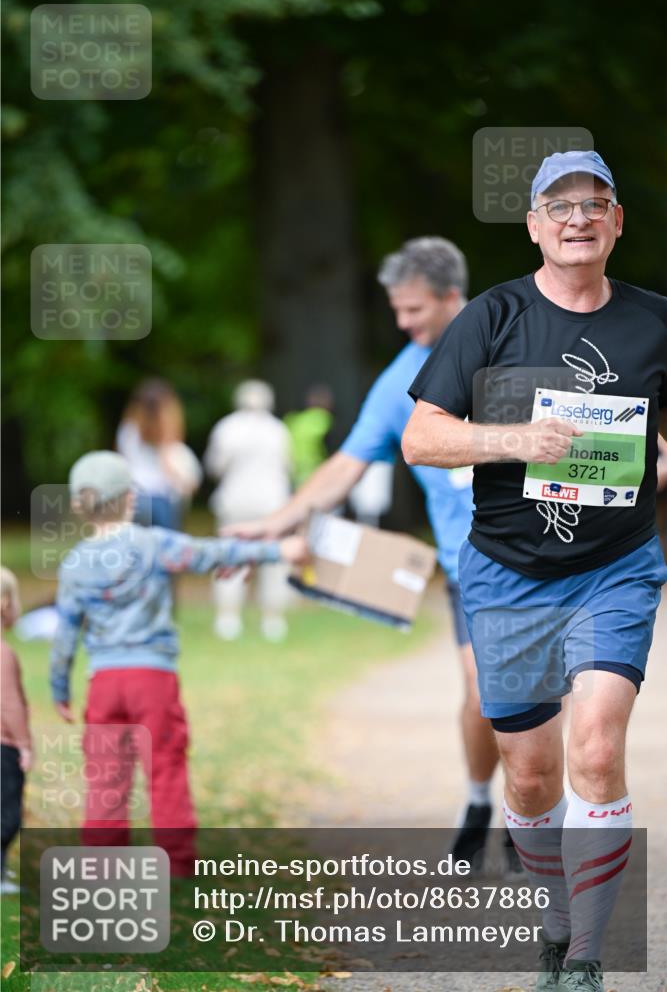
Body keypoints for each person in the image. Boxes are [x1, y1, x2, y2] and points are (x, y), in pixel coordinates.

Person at [404, 152, 667, 991]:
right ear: (533, 226)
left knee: (594, 747)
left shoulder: (656, 321)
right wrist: (512, 439)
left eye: (594, 205)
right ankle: (554, 925)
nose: (577, 219)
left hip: (614, 566)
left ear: (617, 221)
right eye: (559, 208)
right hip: (507, 573)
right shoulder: (492, 315)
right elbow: (422, 437)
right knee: (530, 776)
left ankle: (584, 961)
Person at [224, 237, 509, 866]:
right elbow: (347, 465)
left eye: (413, 310)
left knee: (537, 694)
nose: (403, 324)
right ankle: (479, 799)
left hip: (541, 557)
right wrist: (275, 522)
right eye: (396, 311)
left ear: (451, 297)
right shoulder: (400, 380)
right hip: (472, 564)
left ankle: (527, 809)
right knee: (483, 685)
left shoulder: (512, 346)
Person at [49, 451, 308, 875]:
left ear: (80, 505)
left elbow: (64, 636)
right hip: (153, 678)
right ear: (131, 498)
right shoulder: (154, 545)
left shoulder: (74, 563)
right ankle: (176, 859)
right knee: (165, 763)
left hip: (104, 682)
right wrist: (279, 550)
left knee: (106, 772)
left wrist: (60, 689)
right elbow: (211, 553)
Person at [204, 380, 293, 642]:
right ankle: (273, 619)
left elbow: (214, 466)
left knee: (231, 557)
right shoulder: (277, 430)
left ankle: (228, 618)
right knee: (274, 561)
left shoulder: (227, 428)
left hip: (235, 502)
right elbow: (288, 466)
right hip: (272, 503)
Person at [116, 378, 202, 531]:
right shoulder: (166, 437)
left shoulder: (128, 431)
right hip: (160, 500)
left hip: (134, 499)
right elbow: (169, 469)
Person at [1, 567, 32, 896]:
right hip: (4, 746)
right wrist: (23, 745)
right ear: (5, 604)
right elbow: (9, 704)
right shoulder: (3, 654)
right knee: (7, 812)